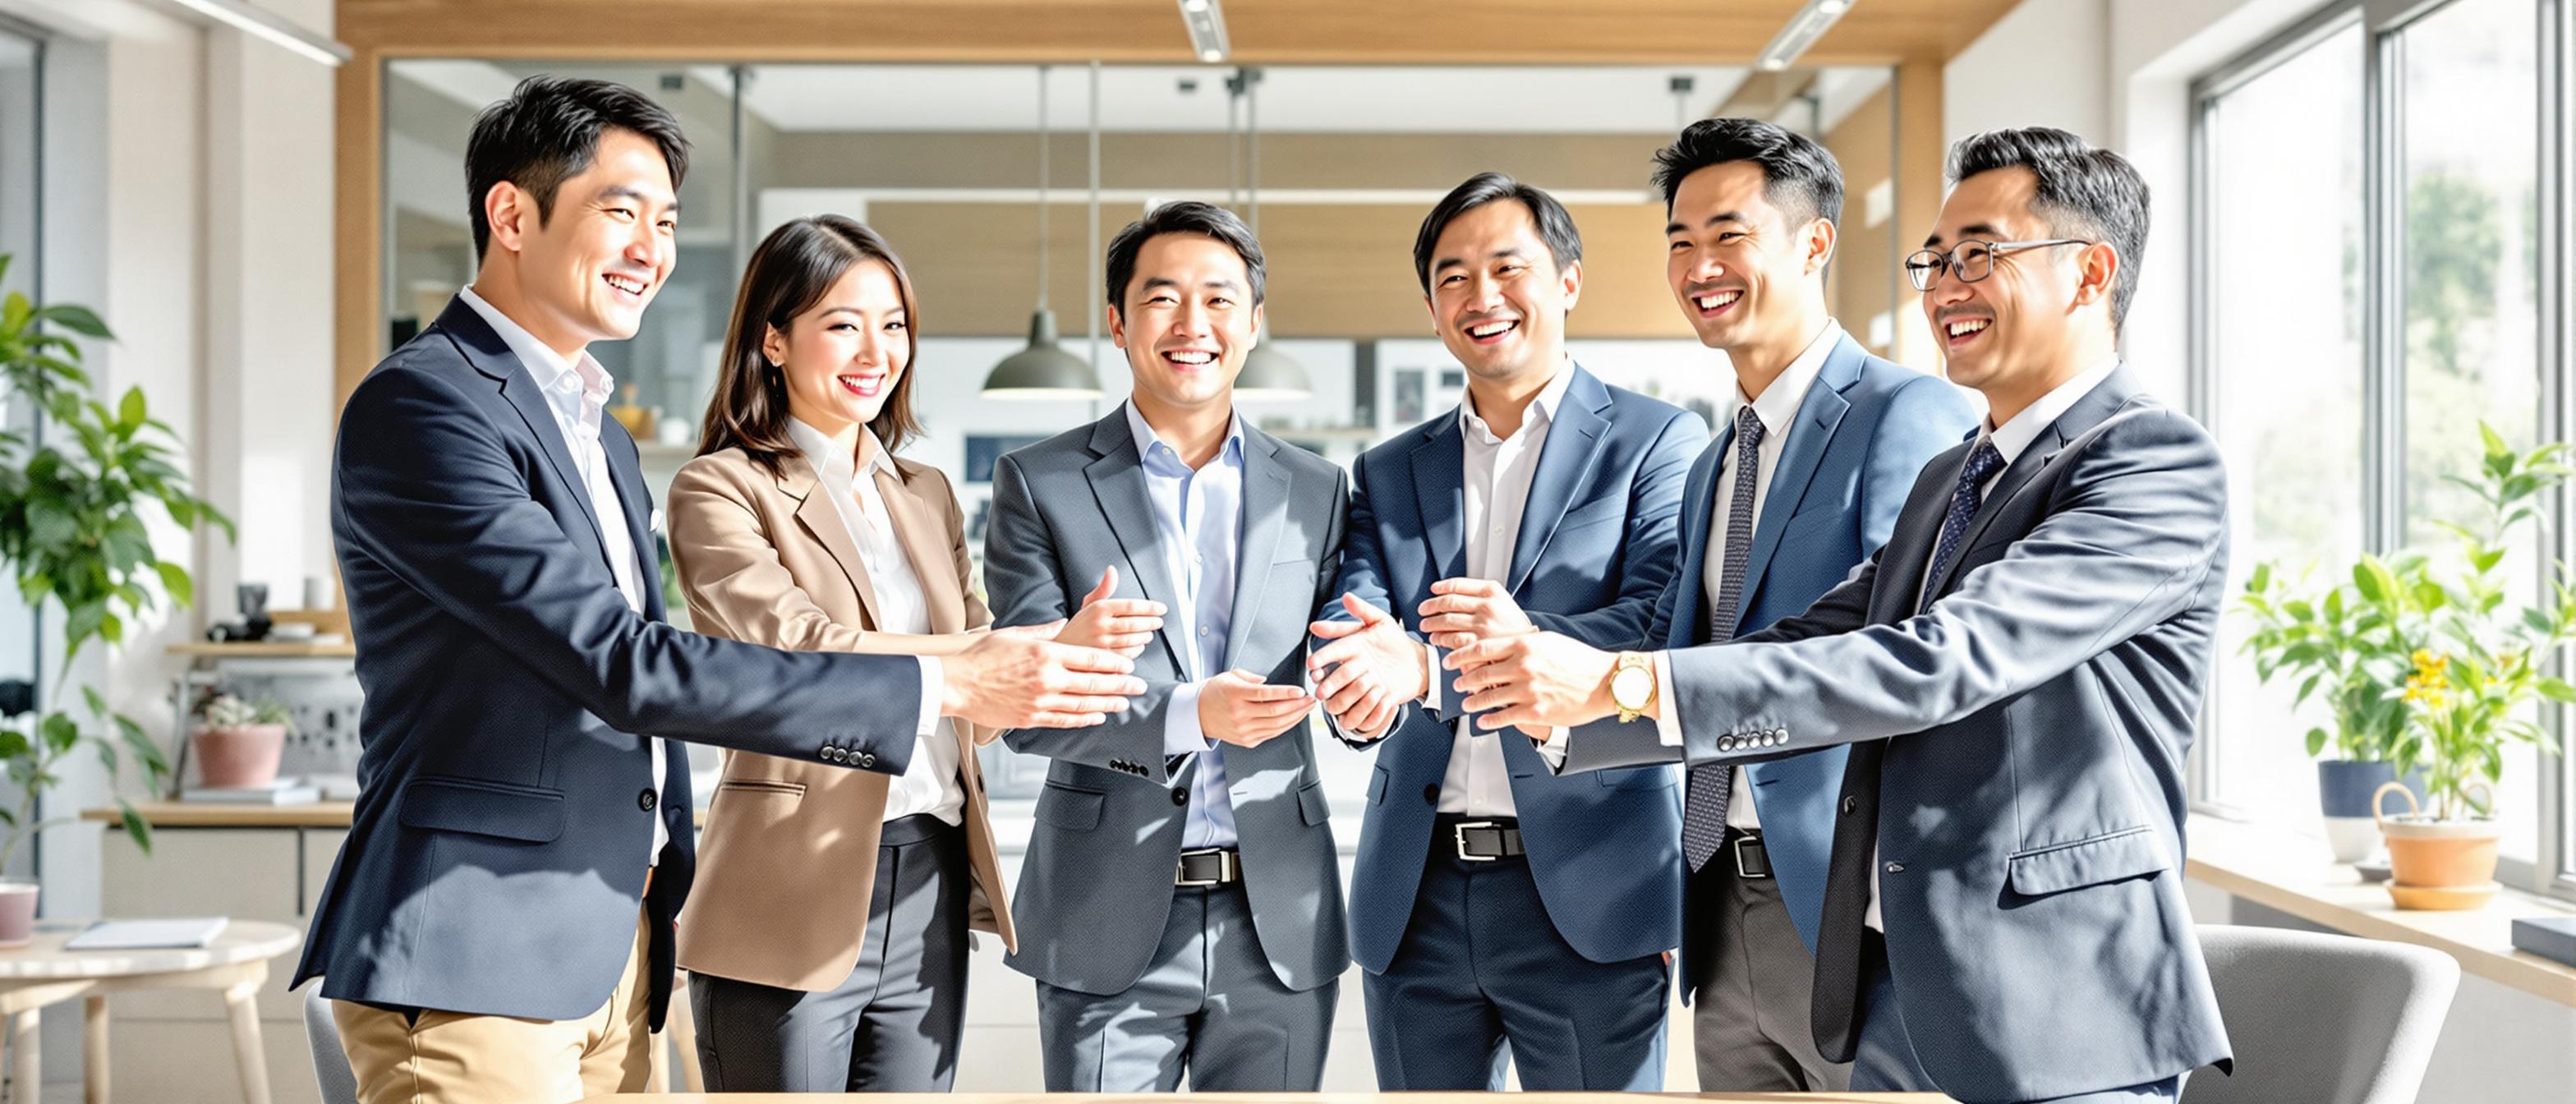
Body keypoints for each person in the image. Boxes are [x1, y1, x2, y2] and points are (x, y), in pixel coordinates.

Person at [296, 77, 1142, 1104]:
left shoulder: (595, 432)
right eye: (620, 211)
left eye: (666, 221)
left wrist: (1026, 665)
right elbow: (620, 663)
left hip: (613, 942)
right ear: (511, 214)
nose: (651, 248)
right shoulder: (427, 406)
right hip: (482, 943)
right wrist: (952, 682)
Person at [1448, 126, 2235, 1104]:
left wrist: (1622, 682)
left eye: (1979, 255)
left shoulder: (2152, 462)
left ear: (2090, 272)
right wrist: (1575, 707)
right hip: (1890, 976)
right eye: (1935, 260)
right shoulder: (1959, 475)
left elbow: (1939, 659)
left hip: (2052, 1001)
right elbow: (1811, 638)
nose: (1944, 285)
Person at [664, 215, 1165, 1091]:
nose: (875, 349)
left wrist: (1055, 670)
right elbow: (797, 648)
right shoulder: (720, 487)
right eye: (842, 323)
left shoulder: (923, 493)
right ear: (773, 339)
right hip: (790, 878)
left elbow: (985, 679)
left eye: (892, 324)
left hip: (931, 871)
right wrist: (991, 656)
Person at [1305, 172, 1705, 1092]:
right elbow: (1350, 617)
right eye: (1452, 278)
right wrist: (1359, 679)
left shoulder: (1656, 442)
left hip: (1589, 889)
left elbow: (1654, 620)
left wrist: (1429, 669)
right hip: (1416, 893)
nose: (1480, 298)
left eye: (1506, 267)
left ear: (1566, 280)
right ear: (1431, 308)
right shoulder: (1391, 466)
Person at [983, 200, 1352, 1092]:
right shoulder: (1039, 482)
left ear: (1254, 325)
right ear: (1116, 321)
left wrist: (1371, 691)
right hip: (1101, 913)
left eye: (1220, 300)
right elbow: (1021, 710)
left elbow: (1348, 671)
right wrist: (1192, 714)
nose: (1193, 325)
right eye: (1162, 299)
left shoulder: (1316, 488)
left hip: (1278, 917)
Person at [1638, 117, 1975, 1092]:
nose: (1702, 264)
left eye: (1729, 234)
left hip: (1850, 909)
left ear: (1813, 242)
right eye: (1680, 241)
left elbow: (1904, 656)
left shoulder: (1906, 413)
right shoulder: (1713, 461)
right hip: (1718, 903)